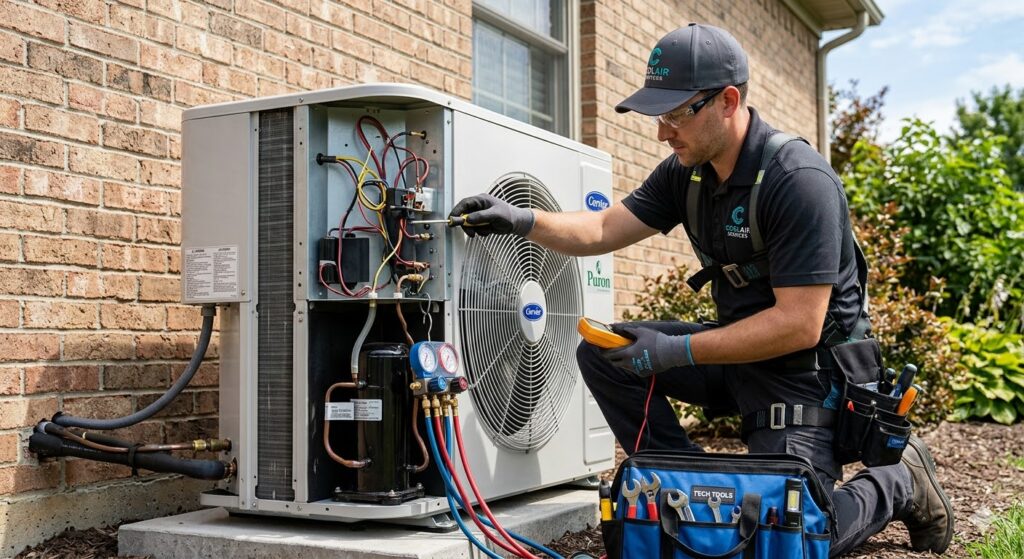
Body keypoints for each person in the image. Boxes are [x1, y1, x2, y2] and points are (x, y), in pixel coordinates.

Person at [449, 22, 953, 557]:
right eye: (657, 116)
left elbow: (798, 323)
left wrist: (672, 352)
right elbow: (602, 229)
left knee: (791, 536)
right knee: (603, 354)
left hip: (806, 377)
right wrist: (522, 219)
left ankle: (900, 481)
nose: (662, 132)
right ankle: (683, 484)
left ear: (728, 101)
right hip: (736, 357)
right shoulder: (686, 174)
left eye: (674, 114)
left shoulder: (799, 181)